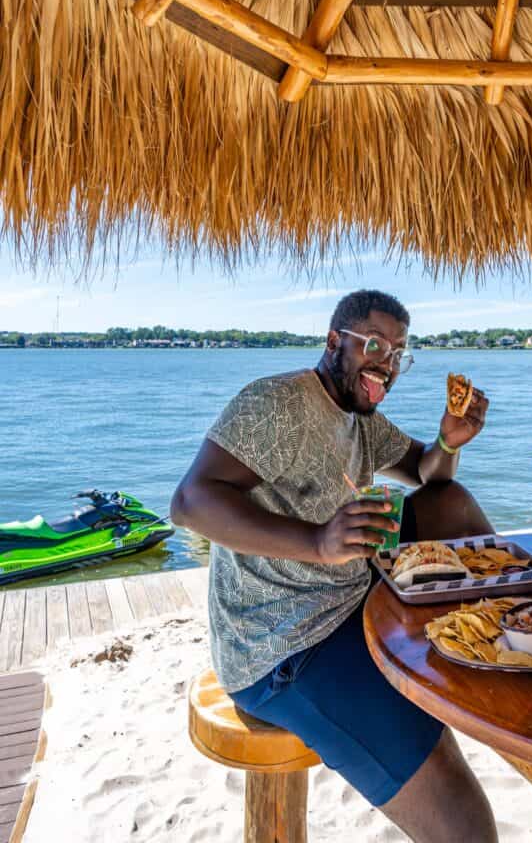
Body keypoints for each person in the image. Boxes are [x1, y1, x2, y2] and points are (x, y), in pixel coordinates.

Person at [171, 289, 497, 843]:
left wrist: (449, 439)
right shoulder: (277, 404)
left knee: (453, 502)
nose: (387, 364)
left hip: (352, 590)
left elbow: (427, 472)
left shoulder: (360, 418)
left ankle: (508, 619)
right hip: (283, 642)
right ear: (333, 341)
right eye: (375, 345)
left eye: (398, 354)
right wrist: (319, 541)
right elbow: (191, 502)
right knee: (461, 819)